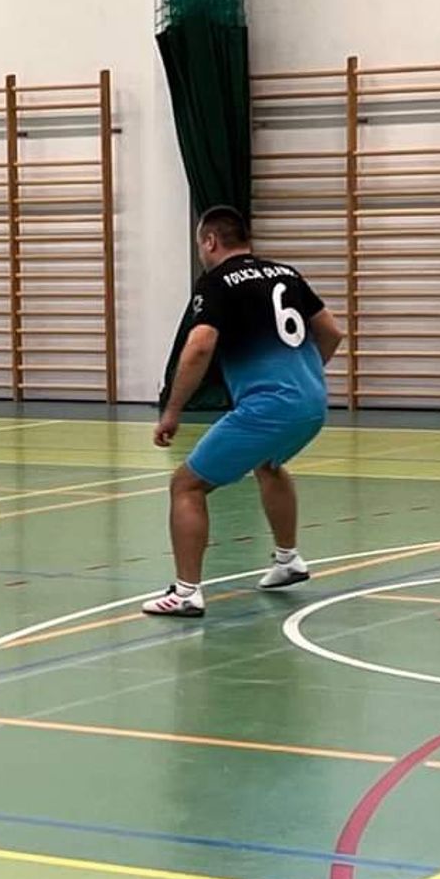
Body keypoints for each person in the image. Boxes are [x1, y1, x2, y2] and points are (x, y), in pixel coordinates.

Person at [143, 206, 343, 618]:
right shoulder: (286, 274)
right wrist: (303, 376)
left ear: (210, 241)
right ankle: (288, 560)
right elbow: (332, 331)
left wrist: (172, 410)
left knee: (186, 485)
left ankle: (185, 593)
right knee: (268, 464)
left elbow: (199, 347)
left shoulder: (216, 283)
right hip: (312, 403)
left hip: (269, 407)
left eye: (200, 244)